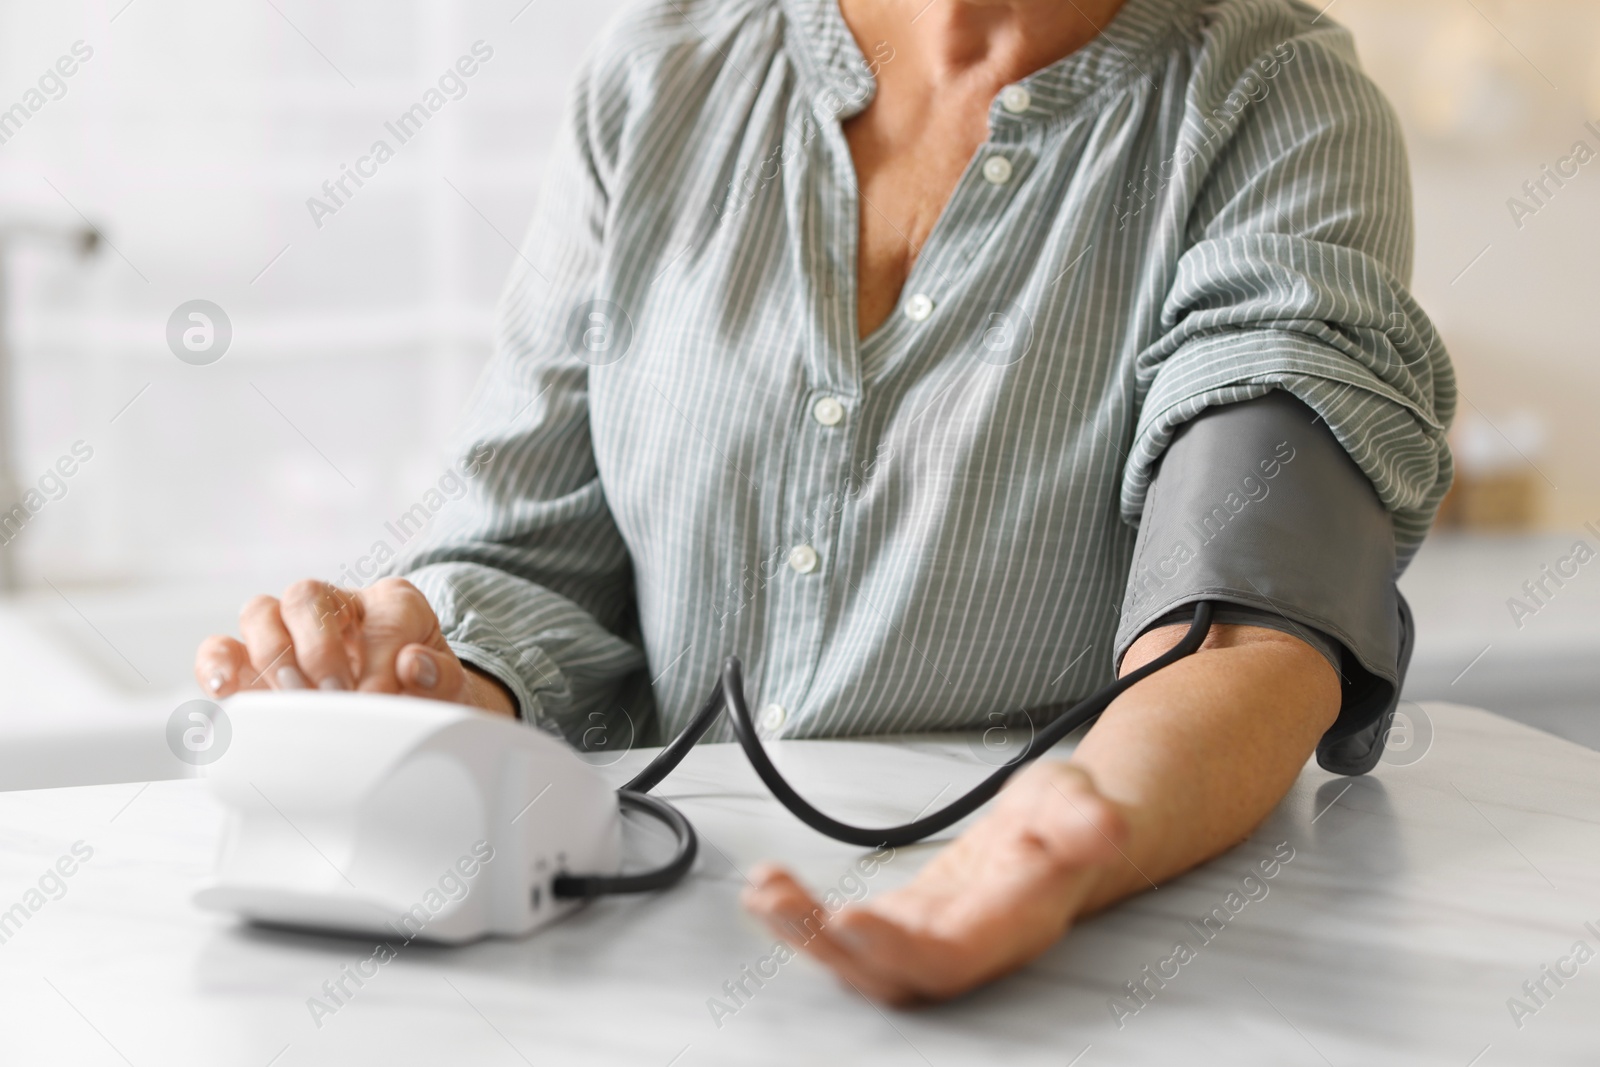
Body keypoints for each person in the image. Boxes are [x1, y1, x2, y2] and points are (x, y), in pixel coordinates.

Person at [195, 0, 1452, 1006]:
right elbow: (533, 563)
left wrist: (1081, 833)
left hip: (1087, 954)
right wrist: (417, 674)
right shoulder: (658, 73)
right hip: (641, 961)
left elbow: (1248, 611)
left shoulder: (1274, 105)